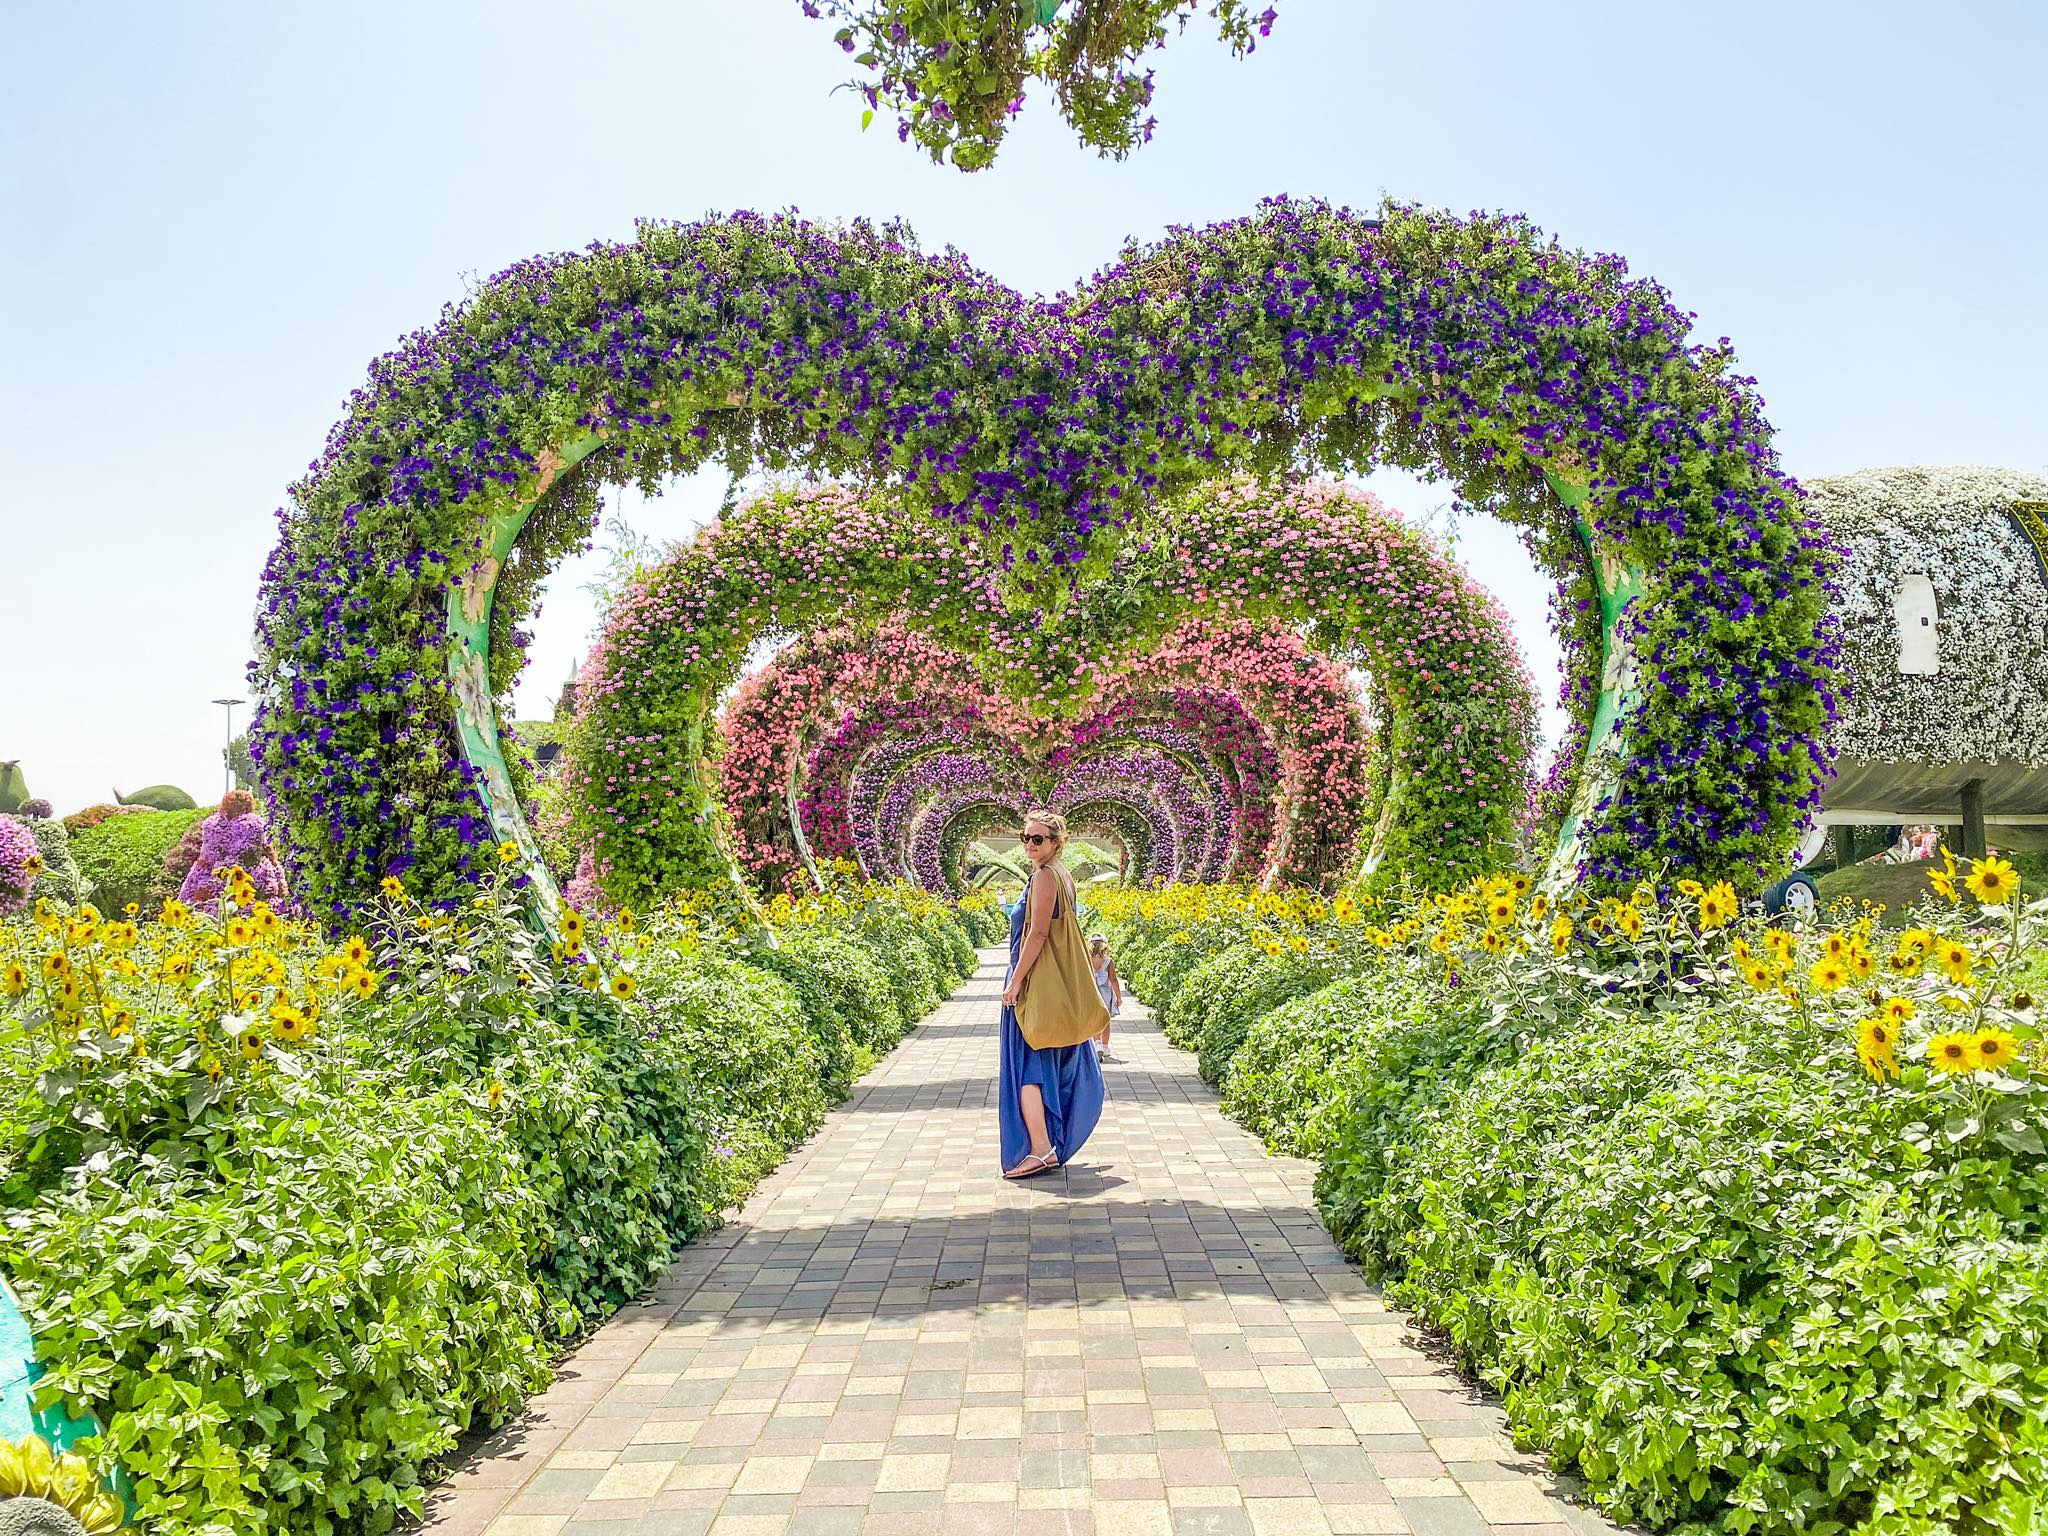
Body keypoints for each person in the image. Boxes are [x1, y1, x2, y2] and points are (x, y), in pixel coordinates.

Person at [996, 810, 1106, 1179]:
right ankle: (1047, 1143)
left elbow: (1039, 934)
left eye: (1038, 839)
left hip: (1035, 983)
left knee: (1028, 1065)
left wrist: (1014, 984)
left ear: (1057, 842)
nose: (1030, 844)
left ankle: (1040, 1148)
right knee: (1044, 1061)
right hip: (1050, 984)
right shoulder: (1062, 875)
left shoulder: (1045, 876)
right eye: (1025, 837)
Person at [1087, 934, 1122, 1061]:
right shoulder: (1108, 962)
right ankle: (1105, 1046)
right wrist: (1119, 997)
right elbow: (1114, 980)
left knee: (1094, 1020)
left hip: (1091, 995)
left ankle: (1097, 1044)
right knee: (1105, 1021)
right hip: (1106, 995)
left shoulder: (1087, 960)